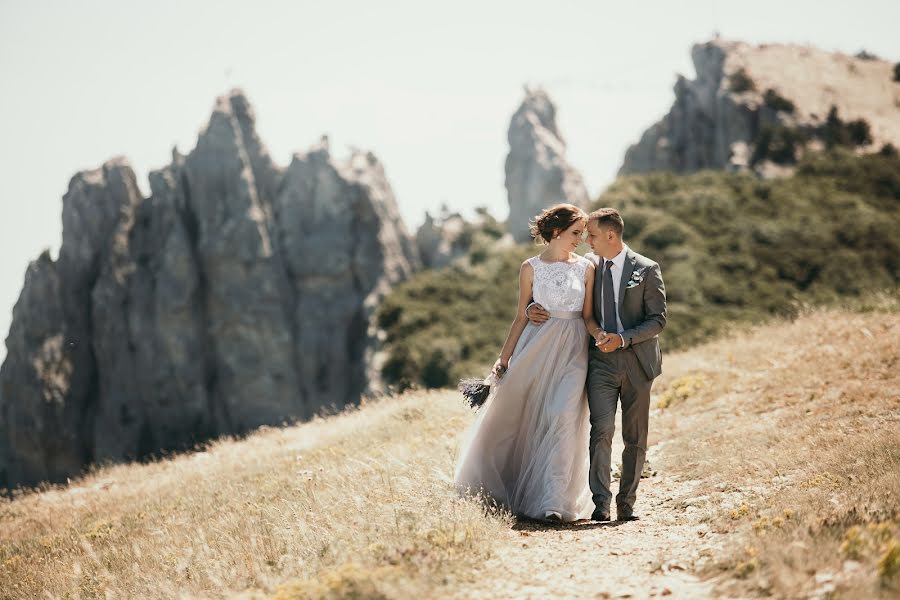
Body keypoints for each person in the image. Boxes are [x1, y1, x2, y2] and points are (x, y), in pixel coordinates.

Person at [454, 203, 594, 522]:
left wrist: (604, 338)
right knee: (521, 417)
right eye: (576, 233)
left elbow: (587, 316)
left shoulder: (586, 267)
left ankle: (554, 500)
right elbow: (521, 316)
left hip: (574, 350)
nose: (581, 239)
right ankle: (511, 487)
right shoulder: (530, 267)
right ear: (556, 232)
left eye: (583, 234)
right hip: (536, 346)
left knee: (562, 415)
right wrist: (503, 359)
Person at [526, 208, 666, 522]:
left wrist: (624, 339)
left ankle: (626, 504)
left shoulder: (646, 269)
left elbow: (658, 320)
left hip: (639, 363)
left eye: (591, 235)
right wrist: (532, 307)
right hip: (600, 363)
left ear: (610, 235)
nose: (587, 240)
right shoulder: (590, 267)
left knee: (635, 437)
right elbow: (561, 289)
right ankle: (601, 503)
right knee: (600, 431)